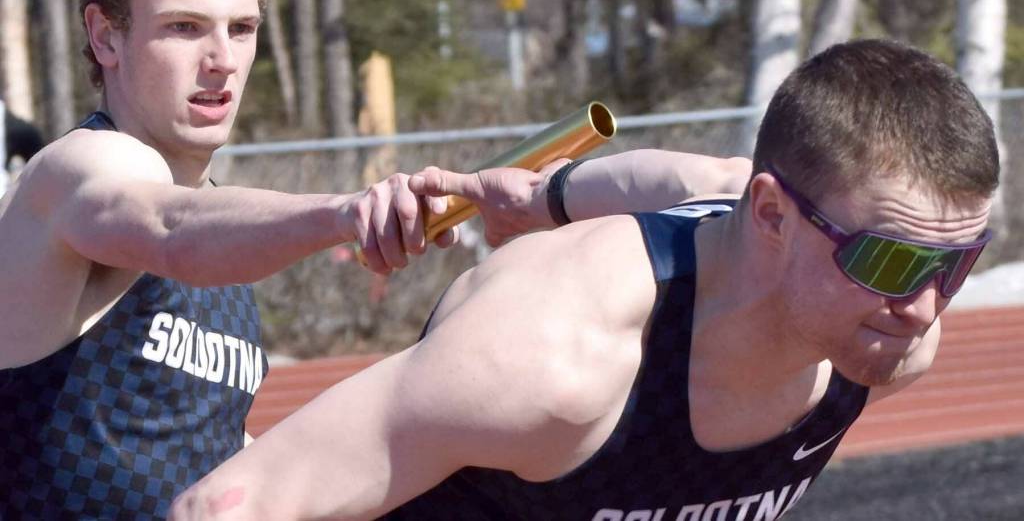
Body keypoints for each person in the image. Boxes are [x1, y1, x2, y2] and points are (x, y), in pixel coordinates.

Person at [0, 0, 743, 519]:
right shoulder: (80, 170)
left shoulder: (223, 236)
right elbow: (168, 228)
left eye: (242, 28)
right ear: (105, 36)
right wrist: (346, 212)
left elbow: (196, 452)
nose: (222, 59)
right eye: (184, 28)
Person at [169, 39, 999, 521]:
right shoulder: (549, 361)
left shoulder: (877, 339)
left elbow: (708, 175)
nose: (925, 308)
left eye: (958, 264)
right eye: (891, 261)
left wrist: (550, 194)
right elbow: (226, 507)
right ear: (773, 218)